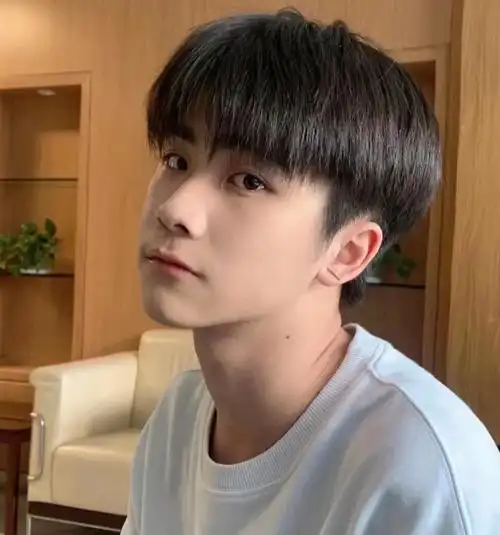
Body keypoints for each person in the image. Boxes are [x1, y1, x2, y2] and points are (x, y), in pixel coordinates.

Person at [122, 9, 500, 535]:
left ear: (348, 252)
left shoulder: (421, 468)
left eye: (249, 181)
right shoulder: (178, 419)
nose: (175, 209)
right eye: (176, 161)